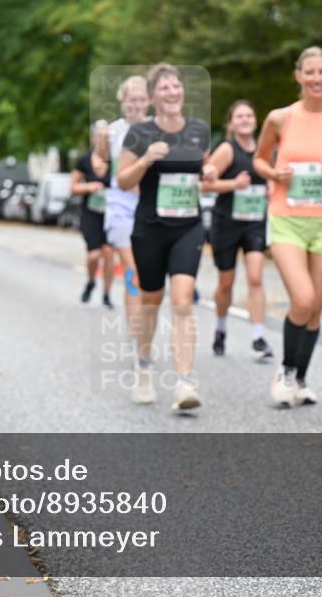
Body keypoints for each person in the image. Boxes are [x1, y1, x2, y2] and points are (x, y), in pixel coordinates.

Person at [253, 46, 322, 406]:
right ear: (298, 76)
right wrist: (275, 173)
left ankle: (300, 379)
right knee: (301, 299)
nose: (316, 78)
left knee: (315, 307)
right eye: (310, 72)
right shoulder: (279, 119)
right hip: (287, 219)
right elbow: (258, 160)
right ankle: (284, 372)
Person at [117, 63, 215, 410]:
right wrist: (146, 160)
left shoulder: (198, 130)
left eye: (176, 87)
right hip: (150, 229)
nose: (172, 93)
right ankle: (143, 366)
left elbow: (204, 171)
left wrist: (210, 172)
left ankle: (184, 382)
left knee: (184, 301)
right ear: (154, 96)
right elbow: (123, 181)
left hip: (188, 226)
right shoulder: (140, 133)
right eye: (165, 88)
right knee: (150, 301)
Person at [203, 100, 273, 361]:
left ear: (256, 121)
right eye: (240, 116)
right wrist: (233, 184)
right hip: (226, 223)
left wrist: (271, 188)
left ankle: (258, 336)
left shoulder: (265, 150)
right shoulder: (226, 150)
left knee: (256, 277)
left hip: (254, 222)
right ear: (231, 123)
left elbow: (273, 179)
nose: (245, 119)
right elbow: (204, 185)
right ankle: (221, 329)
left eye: (249, 115)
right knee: (226, 283)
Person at [105, 75, 150, 362]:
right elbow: (119, 174)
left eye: (141, 99)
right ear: (122, 101)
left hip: (150, 212)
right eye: (131, 99)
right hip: (121, 211)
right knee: (132, 271)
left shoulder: (159, 129)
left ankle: (142, 330)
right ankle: (138, 341)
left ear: (149, 101)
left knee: (148, 277)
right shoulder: (112, 133)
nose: (136, 104)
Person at [72, 121, 116, 308]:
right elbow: (73, 187)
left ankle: (107, 294)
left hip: (111, 214)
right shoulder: (84, 160)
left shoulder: (116, 160)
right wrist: (88, 186)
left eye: (107, 137)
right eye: (99, 136)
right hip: (91, 213)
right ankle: (91, 281)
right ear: (93, 138)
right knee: (94, 255)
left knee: (108, 254)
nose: (103, 140)